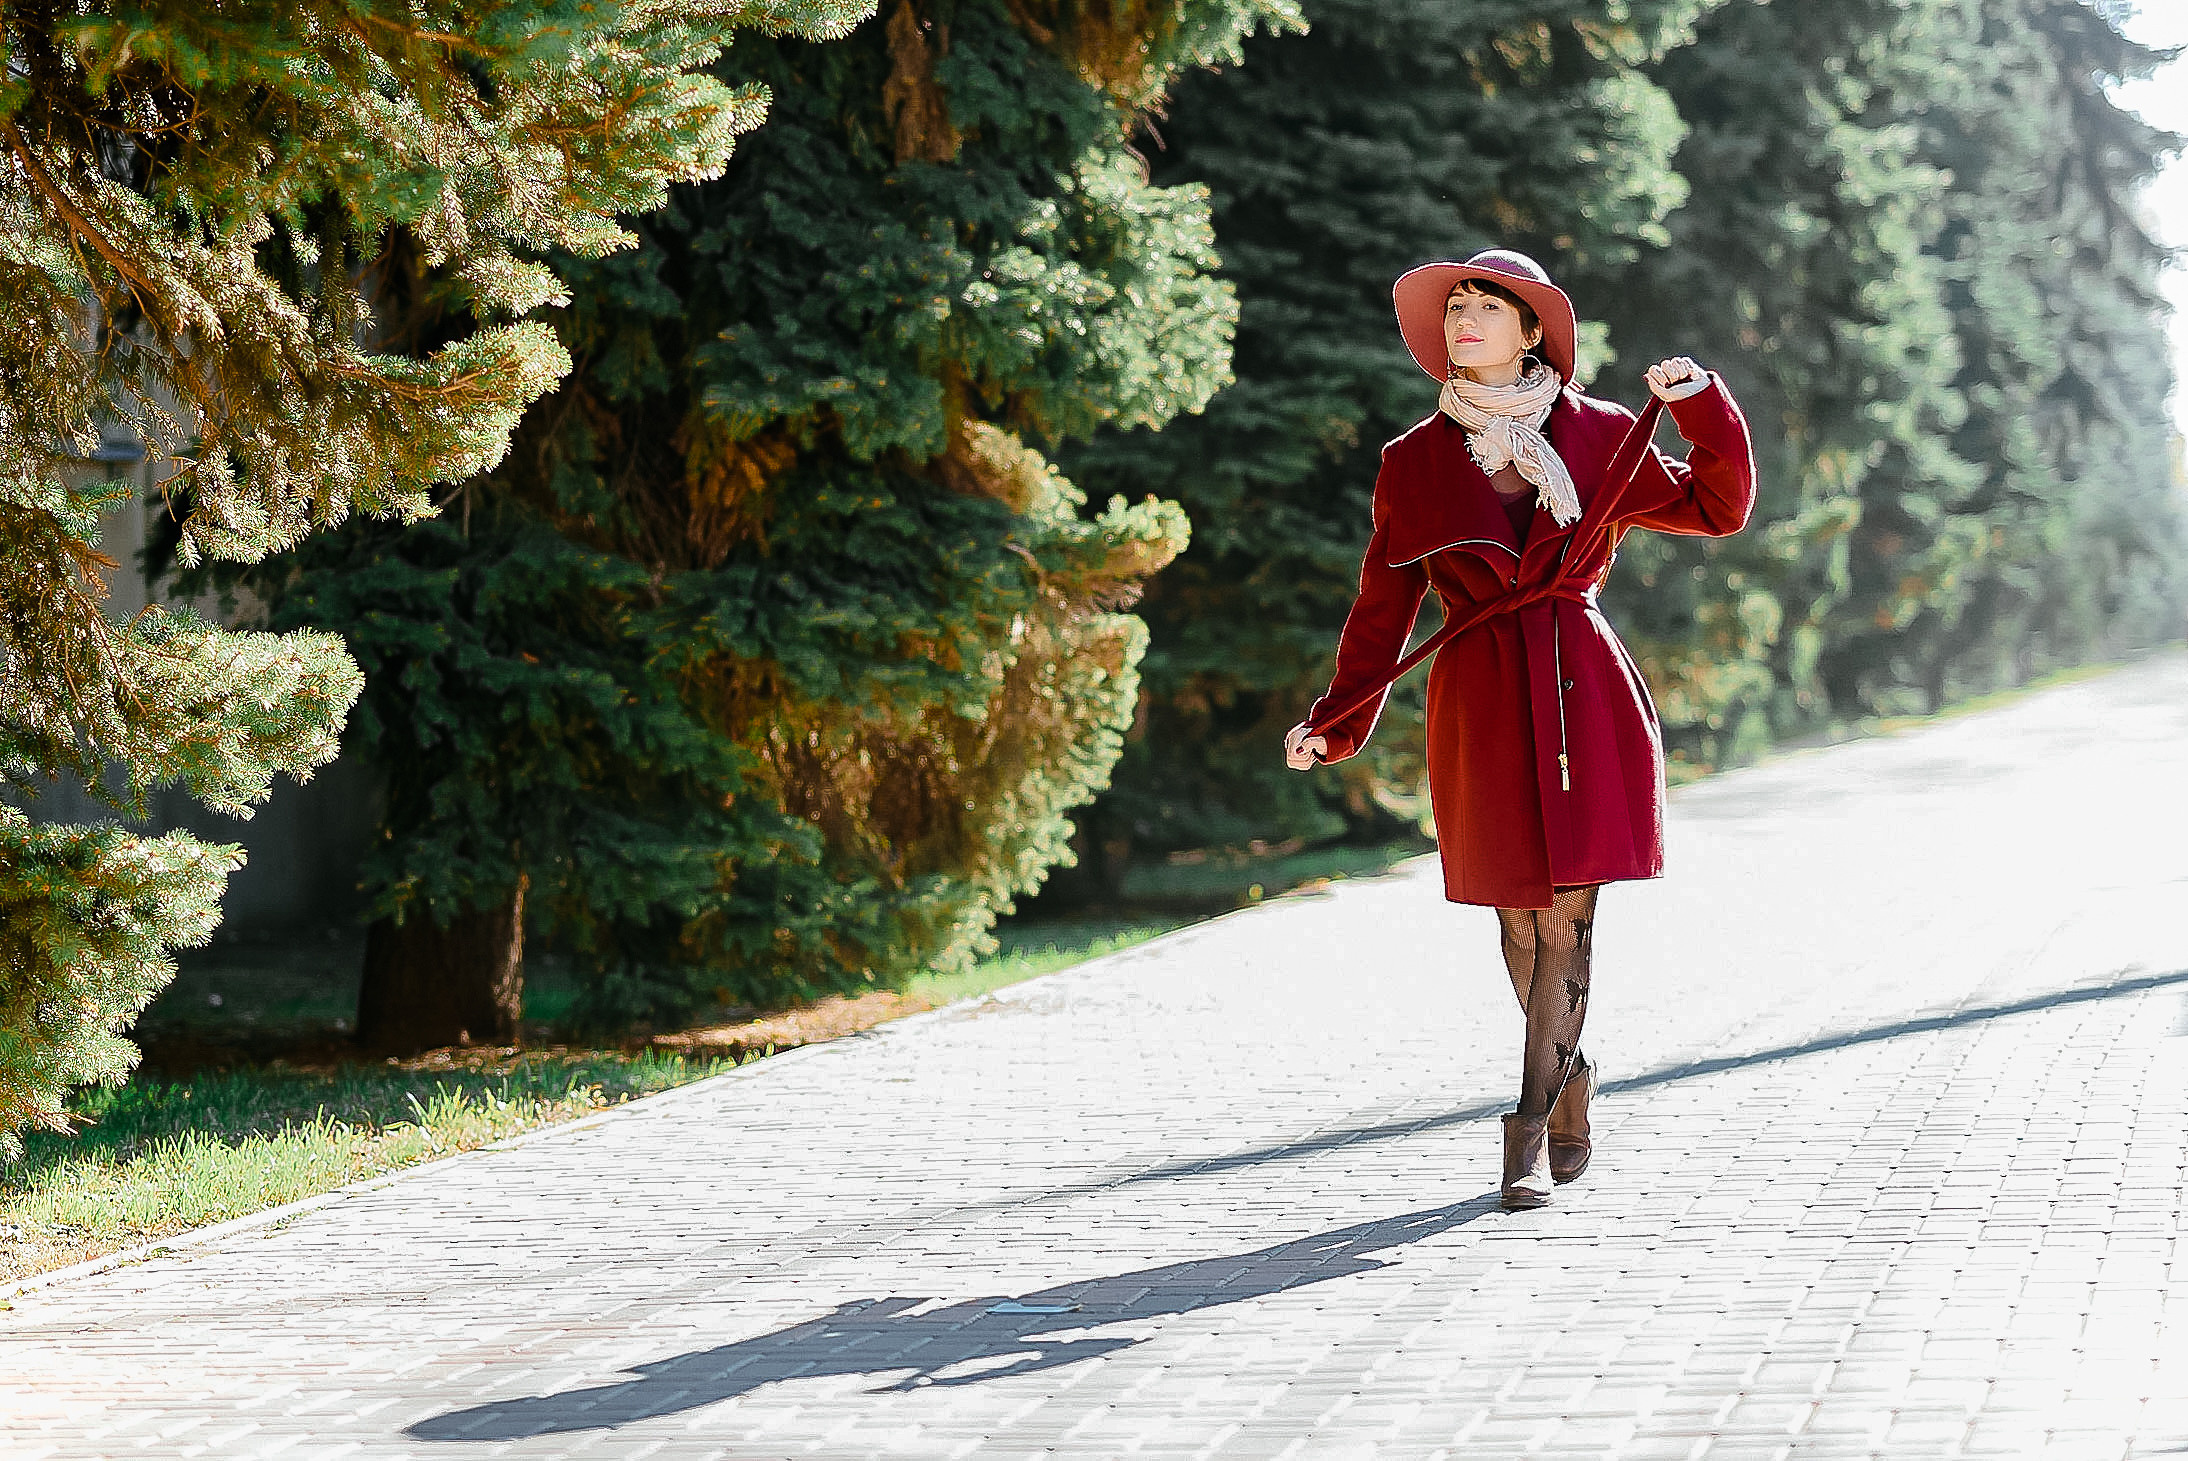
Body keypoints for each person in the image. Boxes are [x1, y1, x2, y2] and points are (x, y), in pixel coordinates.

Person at [1282, 249, 1755, 1210]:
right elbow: (1382, 610)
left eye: (1486, 305)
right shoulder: (1410, 463)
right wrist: (1337, 722)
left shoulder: (1605, 436)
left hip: (1583, 686)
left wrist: (1702, 401)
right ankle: (1571, 1074)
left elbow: (1719, 503)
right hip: (1480, 697)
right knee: (1515, 914)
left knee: (1569, 913)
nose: (1464, 318)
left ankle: (1527, 1129)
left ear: (1530, 330)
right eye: (1454, 306)